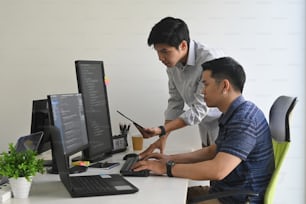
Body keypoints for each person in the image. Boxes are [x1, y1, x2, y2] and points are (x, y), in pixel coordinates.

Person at [133, 57, 275, 204]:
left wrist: (166, 168)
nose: (202, 91)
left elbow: (217, 170)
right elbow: (211, 151)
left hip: (237, 199)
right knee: (165, 194)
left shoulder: (244, 120)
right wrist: (170, 159)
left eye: (206, 84)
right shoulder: (234, 114)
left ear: (224, 86)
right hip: (226, 193)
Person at [139, 17, 223, 158]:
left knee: (220, 171)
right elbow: (175, 103)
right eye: (157, 51)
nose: (160, 57)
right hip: (205, 125)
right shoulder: (172, 66)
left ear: (183, 45)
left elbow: (199, 109)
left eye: (165, 51)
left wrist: (162, 130)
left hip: (224, 124)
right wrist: (162, 138)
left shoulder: (209, 59)